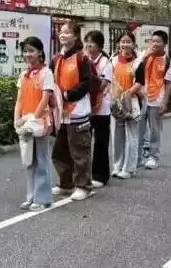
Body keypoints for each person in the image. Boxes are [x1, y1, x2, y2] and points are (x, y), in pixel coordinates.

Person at [51, 20, 93, 201]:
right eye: (61, 31)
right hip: (61, 112)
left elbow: (86, 83)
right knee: (60, 151)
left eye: (67, 32)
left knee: (79, 151)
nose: (62, 34)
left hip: (77, 111)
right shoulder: (56, 59)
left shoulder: (82, 58)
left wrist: (67, 95)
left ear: (75, 36)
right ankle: (66, 183)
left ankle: (83, 185)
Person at [14, 36, 55, 211]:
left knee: (41, 160)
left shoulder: (46, 73)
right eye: (25, 51)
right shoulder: (24, 74)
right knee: (29, 160)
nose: (27, 54)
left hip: (40, 123)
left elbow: (45, 99)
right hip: (26, 123)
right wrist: (16, 119)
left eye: (31, 51)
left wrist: (33, 118)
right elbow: (19, 100)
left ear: (40, 53)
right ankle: (31, 196)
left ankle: (43, 198)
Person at [135, 30, 171, 170]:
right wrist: (145, 56)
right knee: (138, 129)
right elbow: (135, 71)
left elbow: (168, 84)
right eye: (152, 41)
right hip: (142, 98)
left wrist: (165, 102)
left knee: (155, 130)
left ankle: (153, 157)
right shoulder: (145, 57)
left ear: (165, 43)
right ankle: (137, 157)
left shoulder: (168, 61)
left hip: (157, 99)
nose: (154, 44)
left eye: (158, 41)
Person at [111, 31, 144, 179]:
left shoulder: (138, 63)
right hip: (116, 102)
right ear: (119, 44)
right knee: (117, 136)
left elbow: (139, 82)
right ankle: (117, 166)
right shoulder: (113, 61)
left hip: (132, 102)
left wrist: (128, 93)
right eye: (122, 41)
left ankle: (129, 168)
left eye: (128, 41)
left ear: (134, 44)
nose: (125, 44)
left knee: (132, 136)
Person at [84, 30, 113, 188]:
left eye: (92, 43)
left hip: (101, 108)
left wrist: (89, 75)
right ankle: (85, 173)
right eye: (87, 43)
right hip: (86, 107)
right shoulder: (84, 60)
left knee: (101, 142)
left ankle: (101, 175)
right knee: (85, 141)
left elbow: (102, 85)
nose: (89, 46)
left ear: (100, 46)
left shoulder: (106, 63)